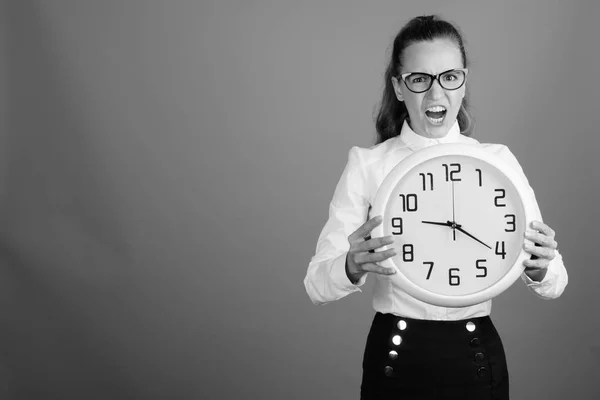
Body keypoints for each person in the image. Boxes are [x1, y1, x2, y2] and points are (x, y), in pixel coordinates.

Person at [304, 15, 568, 400]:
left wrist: (542, 265)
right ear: (398, 86)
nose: (435, 94)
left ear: (463, 81)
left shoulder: (498, 164)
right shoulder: (369, 164)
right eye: (419, 79)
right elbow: (316, 285)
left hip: (477, 359)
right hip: (396, 360)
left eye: (449, 77)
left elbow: (557, 282)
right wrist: (351, 265)